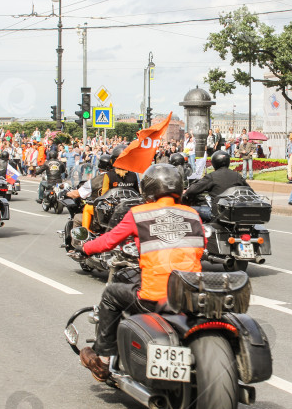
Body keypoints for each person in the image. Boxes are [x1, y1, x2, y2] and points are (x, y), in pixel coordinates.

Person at [77, 164, 206, 382]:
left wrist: (84, 248)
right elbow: (201, 246)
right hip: (191, 294)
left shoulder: (138, 213)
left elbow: (109, 241)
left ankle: (103, 359)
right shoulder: (193, 214)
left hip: (154, 298)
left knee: (111, 295)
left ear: (148, 189)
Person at [182, 151, 249, 221]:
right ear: (228, 162)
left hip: (217, 213)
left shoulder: (211, 176)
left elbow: (193, 190)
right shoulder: (237, 176)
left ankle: (199, 231)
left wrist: (186, 191)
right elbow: (249, 191)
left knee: (189, 210)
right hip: (234, 212)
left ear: (214, 163)